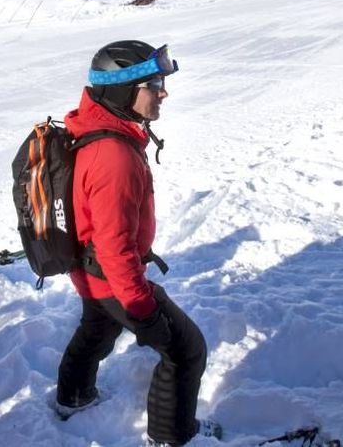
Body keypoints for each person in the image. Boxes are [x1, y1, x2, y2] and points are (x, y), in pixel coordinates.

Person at [56, 41, 219, 447]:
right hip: (111, 276)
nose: (163, 92)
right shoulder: (115, 156)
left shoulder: (98, 127)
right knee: (186, 349)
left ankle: (73, 398)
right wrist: (143, 311)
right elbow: (116, 249)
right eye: (153, 84)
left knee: (96, 328)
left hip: (91, 271)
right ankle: (172, 437)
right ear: (121, 92)